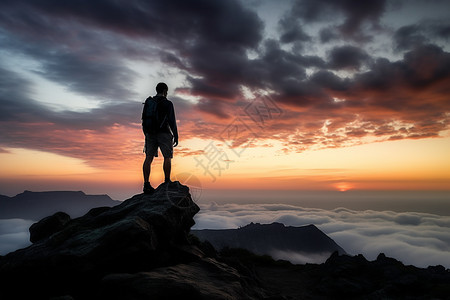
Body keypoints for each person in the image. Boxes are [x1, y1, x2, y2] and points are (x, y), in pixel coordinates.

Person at [142, 82, 178, 194]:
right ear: (165, 91)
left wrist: (146, 135)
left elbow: (143, 119)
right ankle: (167, 181)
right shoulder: (167, 103)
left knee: (148, 158)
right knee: (167, 157)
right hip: (164, 133)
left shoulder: (149, 102)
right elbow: (172, 120)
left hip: (150, 133)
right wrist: (176, 135)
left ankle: (146, 184)